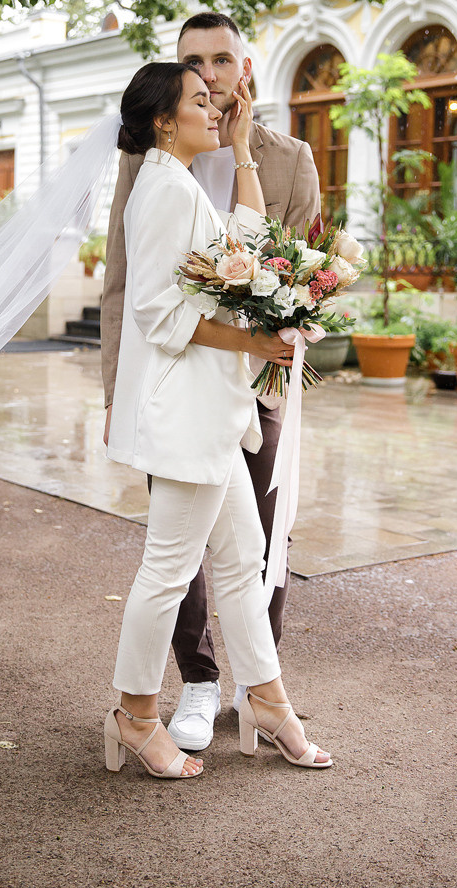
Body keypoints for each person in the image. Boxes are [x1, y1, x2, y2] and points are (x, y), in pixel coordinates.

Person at [104, 60, 332, 779]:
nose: (215, 107)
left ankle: (268, 701)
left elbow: (248, 243)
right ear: (163, 120)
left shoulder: (181, 184)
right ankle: (135, 717)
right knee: (168, 572)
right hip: (185, 419)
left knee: (242, 565)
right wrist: (255, 340)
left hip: (212, 416)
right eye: (200, 101)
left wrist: (240, 151)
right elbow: (158, 313)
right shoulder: (164, 189)